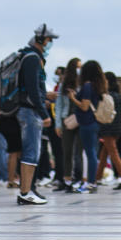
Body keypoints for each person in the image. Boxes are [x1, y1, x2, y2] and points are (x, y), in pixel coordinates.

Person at [11, 24, 56, 206]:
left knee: (31, 151)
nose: (49, 43)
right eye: (48, 40)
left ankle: (28, 189)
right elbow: (32, 90)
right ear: (40, 40)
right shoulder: (32, 58)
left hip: (29, 110)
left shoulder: (30, 56)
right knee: (31, 152)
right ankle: (25, 192)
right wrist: (43, 113)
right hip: (30, 112)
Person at [68, 60, 106, 193]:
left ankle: (90, 182)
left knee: (90, 153)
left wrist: (72, 98)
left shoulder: (88, 86)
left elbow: (84, 107)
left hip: (87, 122)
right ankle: (92, 182)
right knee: (92, 153)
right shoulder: (98, 86)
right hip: (94, 123)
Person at [95, 72, 121, 190]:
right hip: (117, 128)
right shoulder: (118, 95)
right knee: (104, 154)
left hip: (108, 128)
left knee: (114, 154)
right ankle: (97, 178)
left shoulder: (107, 95)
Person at [54, 57, 83, 192]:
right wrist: (58, 124)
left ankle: (79, 178)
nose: (80, 69)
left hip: (81, 119)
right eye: (78, 66)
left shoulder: (83, 83)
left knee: (79, 152)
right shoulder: (64, 84)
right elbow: (59, 105)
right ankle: (67, 179)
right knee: (67, 151)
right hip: (67, 120)